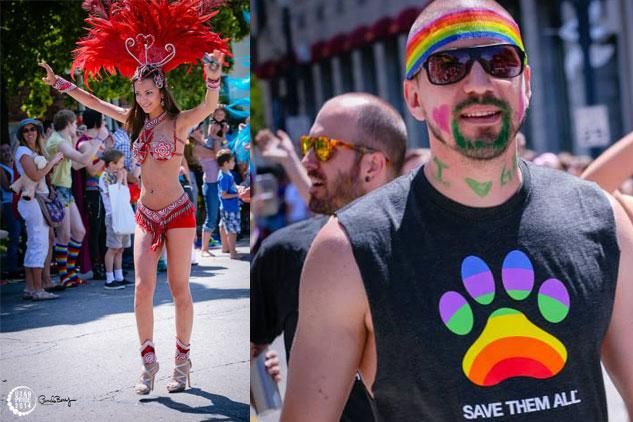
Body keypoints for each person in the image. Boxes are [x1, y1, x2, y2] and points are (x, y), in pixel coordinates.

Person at [282, 1, 633, 421]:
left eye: (501, 61)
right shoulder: (347, 251)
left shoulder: (600, 219)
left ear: (526, 84)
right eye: (448, 68)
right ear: (414, 96)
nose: (478, 83)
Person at [40, 0, 228, 395]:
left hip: (178, 213)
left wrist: (213, 77)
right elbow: (93, 102)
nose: (142, 99)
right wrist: (60, 83)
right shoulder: (132, 121)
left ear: (161, 89)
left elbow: (210, 106)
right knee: (142, 288)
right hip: (146, 214)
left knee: (179, 290)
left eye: (147, 92)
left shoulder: (179, 121)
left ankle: (182, 361)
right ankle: (147, 363)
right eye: (137, 93)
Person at [252, 93, 407, 421]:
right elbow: (250, 348)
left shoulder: (428, 254)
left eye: (321, 147)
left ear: (371, 166)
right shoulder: (285, 252)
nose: (307, 160)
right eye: (307, 145)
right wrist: (260, 386)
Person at [46, 109, 103, 288]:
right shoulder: (58, 141)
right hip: (57, 190)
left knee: (79, 231)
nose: (77, 126)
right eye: (75, 124)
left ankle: (70, 273)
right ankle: (65, 276)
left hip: (65, 190)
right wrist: (99, 140)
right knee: (64, 235)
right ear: (69, 123)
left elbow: (78, 165)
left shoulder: (63, 141)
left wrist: (87, 145)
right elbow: (83, 159)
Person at [13, 118, 64, 300]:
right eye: (26, 130)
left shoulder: (33, 151)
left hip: (35, 201)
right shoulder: (23, 152)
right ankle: (37, 289)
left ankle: (30, 288)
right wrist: (53, 162)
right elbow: (34, 175)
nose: (29, 133)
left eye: (33, 129)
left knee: (34, 244)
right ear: (21, 135)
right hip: (31, 201)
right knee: (38, 244)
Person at [75, 108, 108, 280]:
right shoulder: (85, 143)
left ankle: (106, 264)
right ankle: (97, 266)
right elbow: (92, 171)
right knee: (95, 230)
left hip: (104, 190)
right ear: (98, 122)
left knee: (104, 229)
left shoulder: (95, 142)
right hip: (92, 191)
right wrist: (106, 157)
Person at [99, 148, 131, 290]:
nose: (123, 165)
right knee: (113, 248)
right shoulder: (104, 177)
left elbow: (125, 194)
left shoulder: (116, 175)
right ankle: (109, 278)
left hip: (122, 214)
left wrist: (123, 179)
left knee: (121, 248)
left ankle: (119, 276)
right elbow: (114, 195)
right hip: (112, 216)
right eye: (121, 162)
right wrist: (119, 180)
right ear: (112, 164)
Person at [194, 111, 222, 256]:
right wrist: (214, 137)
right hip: (210, 184)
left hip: (217, 182)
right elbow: (218, 155)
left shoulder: (208, 143)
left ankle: (223, 246)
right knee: (211, 216)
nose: (200, 132)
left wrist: (215, 136)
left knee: (219, 215)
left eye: (200, 129)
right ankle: (204, 248)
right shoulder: (197, 148)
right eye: (198, 130)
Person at [1, 142, 23, 279]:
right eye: (2, 151)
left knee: (24, 233)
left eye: (8, 150)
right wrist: (24, 183)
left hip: (21, 202)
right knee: (14, 235)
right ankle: (12, 267)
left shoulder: (14, 165)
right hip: (9, 204)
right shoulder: (1, 168)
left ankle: (23, 264)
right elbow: (8, 187)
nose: (7, 153)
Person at [216, 148, 242, 259]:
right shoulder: (224, 177)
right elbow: (224, 194)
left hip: (225, 207)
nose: (234, 163)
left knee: (223, 226)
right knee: (232, 230)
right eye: (232, 161)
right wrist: (237, 195)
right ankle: (233, 252)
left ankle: (225, 247)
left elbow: (232, 187)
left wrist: (238, 188)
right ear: (226, 163)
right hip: (230, 207)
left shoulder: (227, 174)